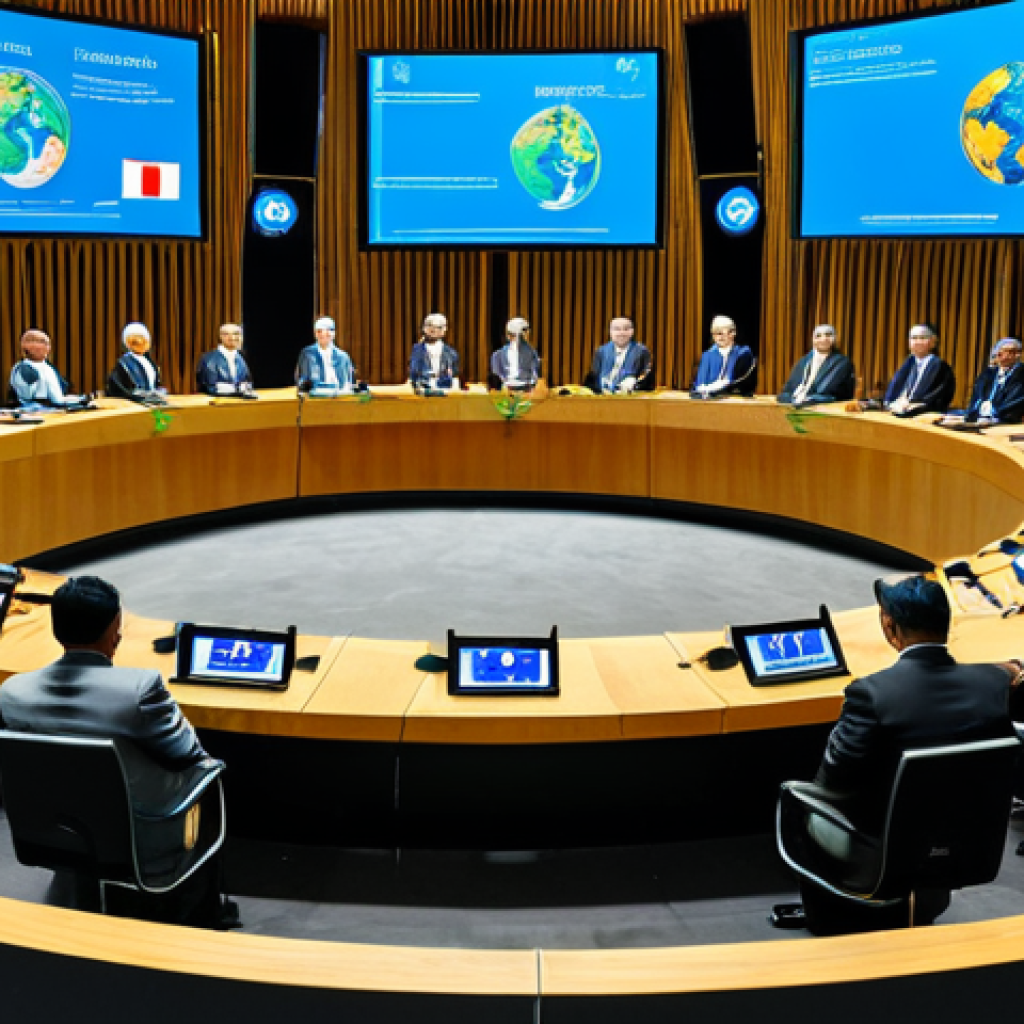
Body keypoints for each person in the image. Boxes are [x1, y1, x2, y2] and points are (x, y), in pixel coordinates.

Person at [780, 575, 1017, 934]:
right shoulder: (992, 684)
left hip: (885, 850)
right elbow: (1010, 671)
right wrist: (1013, 668)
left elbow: (833, 781)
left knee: (798, 797)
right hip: (967, 845)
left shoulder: (871, 693)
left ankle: (828, 916)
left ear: (889, 626)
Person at [0, 576, 238, 929]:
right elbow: (188, 752)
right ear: (114, 633)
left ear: (56, 628)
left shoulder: (13, 693)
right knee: (209, 772)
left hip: (51, 834)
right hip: (136, 837)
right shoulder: (140, 690)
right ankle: (206, 909)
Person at [882, 323, 955, 417]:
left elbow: (938, 398)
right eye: (913, 338)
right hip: (901, 412)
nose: (917, 342)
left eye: (922, 338)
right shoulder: (909, 364)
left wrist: (915, 405)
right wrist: (896, 402)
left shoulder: (941, 368)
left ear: (932, 342)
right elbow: (896, 392)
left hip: (925, 416)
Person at [777, 325, 856, 406]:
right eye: (818, 336)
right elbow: (788, 388)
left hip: (825, 406)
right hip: (797, 403)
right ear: (813, 340)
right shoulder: (804, 361)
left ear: (835, 338)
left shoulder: (842, 363)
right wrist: (790, 398)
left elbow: (828, 391)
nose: (823, 339)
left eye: (828, 335)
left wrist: (805, 399)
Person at [7, 329, 84, 410]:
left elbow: (58, 399)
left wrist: (80, 400)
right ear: (27, 346)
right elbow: (26, 398)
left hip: (53, 409)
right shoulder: (22, 368)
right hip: (32, 410)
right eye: (43, 342)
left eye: (48, 344)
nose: (48, 347)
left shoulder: (49, 368)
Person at [584, 317, 653, 394]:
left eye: (626, 329)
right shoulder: (601, 351)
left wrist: (634, 383)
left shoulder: (641, 351)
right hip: (602, 395)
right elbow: (594, 376)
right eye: (617, 329)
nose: (621, 333)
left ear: (632, 331)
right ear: (610, 332)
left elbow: (646, 376)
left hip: (629, 395)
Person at [691, 316, 756, 398]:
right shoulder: (707, 355)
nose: (720, 337)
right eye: (717, 334)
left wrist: (721, 386)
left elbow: (738, 382)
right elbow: (700, 384)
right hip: (709, 398)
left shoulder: (743, 354)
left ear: (733, 333)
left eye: (722, 333)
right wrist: (706, 389)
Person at [964, 337, 1024, 425]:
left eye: (1006, 351)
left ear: (1017, 354)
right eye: (998, 350)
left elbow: (1016, 401)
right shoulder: (988, 373)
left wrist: (994, 412)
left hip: (1006, 421)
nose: (999, 354)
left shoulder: (1021, 375)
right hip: (980, 418)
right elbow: (977, 396)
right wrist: (973, 412)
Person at [106, 322, 166, 401]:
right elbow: (117, 386)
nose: (140, 342)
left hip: (152, 400)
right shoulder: (124, 363)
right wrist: (135, 395)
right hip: (133, 402)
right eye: (135, 342)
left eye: (143, 340)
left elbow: (156, 383)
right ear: (128, 343)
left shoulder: (149, 362)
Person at [294, 316, 355, 392]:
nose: (323, 334)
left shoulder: (343, 356)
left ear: (334, 334)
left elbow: (349, 381)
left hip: (340, 394)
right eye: (319, 331)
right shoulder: (307, 354)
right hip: (316, 394)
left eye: (329, 331)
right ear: (315, 334)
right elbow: (302, 378)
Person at [196, 323, 254, 397]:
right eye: (227, 334)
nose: (232, 338)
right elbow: (210, 386)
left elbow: (248, 383)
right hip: (216, 402)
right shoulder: (208, 359)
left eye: (236, 334)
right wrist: (237, 389)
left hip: (240, 402)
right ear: (221, 336)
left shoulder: (241, 358)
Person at [409, 313, 460, 390]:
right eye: (429, 325)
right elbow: (415, 374)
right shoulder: (417, 350)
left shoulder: (451, 353)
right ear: (424, 328)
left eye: (438, 327)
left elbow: (454, 376)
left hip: (446, 391)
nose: (433, 330)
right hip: (423, 391)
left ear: (444, 329)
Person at [491, 317, 541, 391]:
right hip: (507, 388)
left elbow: (535, 373)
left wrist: (531, 385)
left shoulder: (532, 353)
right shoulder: (498, 355)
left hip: (526, 388)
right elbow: (497, 374)